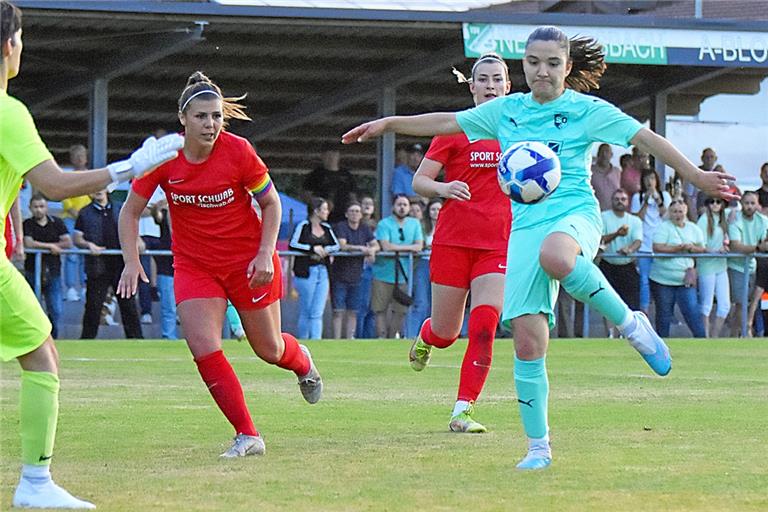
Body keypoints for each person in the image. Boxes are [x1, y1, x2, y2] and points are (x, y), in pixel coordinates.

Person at [342, 25, 735, 470]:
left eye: (552, 63)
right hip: (524, 229)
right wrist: (389, 123)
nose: (542, 71)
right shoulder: (507, 110)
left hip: (574, 215)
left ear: (568, 67)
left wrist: (698, 177)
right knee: (528, 342)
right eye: (533, 63)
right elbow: (446, 121)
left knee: (558, 256)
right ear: (523, 67)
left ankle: (630, 324)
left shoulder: (587, 110)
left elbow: (647, 139)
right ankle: (538, 448)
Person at [1, 2, 183, 507]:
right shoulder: (8, 111)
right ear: (10, 45)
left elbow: (14, 187)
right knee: (42, 356)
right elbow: (54, 185)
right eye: (21, 38)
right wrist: (129, 166)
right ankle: (35, 485)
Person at [117, 71, 323, 459]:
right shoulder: (164, 156)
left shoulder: (239, 150)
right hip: (195, 265)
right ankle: (247, 435)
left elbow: (272, 203)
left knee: (269, 349)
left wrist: (265, 254)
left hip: (248, 262)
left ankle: (302, 362)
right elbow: (129, 213)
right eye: (201, 117)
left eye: (215, 116)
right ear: (183, 119)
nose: (210, 124)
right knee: (203, 345)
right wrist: (132, 261)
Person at [404, 52, 512, 433]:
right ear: (472, 87)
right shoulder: (454, 129)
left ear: (508, 86)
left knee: (485, 324)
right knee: (447, 333)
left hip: (498, 244)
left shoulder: (520, 130)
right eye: (483, 79)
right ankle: (427, 335)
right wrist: (443, 187)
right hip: (453, 241)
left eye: (497, 79)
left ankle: (462, 410)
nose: (490, 86)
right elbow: (419, 181)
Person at [74, 189, 144, 339]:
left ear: (107, 189)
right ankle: (86, 341)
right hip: (98, 265)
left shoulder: (121, 208)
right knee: (93, 305)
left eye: (101, 187)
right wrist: (89, 245)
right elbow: (77, 238)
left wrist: (137, 243)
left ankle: (137, 340)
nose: (98, 190)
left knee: (128, 305)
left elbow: (133, 230)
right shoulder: (84, 212)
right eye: (95, 187)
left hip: (121, 265)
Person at [649, 199, 706, 338]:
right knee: (663, 315)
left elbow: (702, 248)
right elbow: (657, 247)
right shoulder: (663, 227)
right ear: (669, 213)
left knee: (692, 312)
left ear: (685, 212)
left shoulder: (694, 229)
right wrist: (678, 248)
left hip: (685, 279)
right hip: (663, 280)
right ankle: (662, 346)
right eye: (674, 211)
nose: (677, 214)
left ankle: (703, 343)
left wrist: (692, 249)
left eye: (680, 211)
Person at [371, 194, 423, 338]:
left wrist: (398, 248)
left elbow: (419, 246)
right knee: (380, 309)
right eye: (399, 204)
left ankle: (393, 336)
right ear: (393, 206)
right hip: (383, 273)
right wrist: (409, 247)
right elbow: (386, 246)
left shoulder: (414, 224)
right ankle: (381, 337)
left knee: (401, 310)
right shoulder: (384, 223)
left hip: (404, 274)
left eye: (405, 205)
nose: (402, 208)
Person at [289, 197, 340, 339]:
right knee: (306, 310)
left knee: (317, 311)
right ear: (316, 211)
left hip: (322, 271)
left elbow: (336, 245)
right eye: (324, 209)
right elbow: (293, 244)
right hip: (306, 272)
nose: (327, 212)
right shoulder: (304, 226)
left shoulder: (327, 228)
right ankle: (304, 341)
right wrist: (312, 248)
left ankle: (317, 341)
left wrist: (326, 249)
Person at [22, 194, 71, 339]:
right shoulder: (27, 224)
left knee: (55, 309)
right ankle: (35, 338)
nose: (38, 210)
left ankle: (53, 337)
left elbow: (67, 242)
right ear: (30, 208)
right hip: (32, 270)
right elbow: (28, 243)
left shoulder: (57, 222)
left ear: (47, 207)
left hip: (53, 271)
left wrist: (51, 247)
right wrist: (51, 246)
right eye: (35, 207)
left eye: (41, 206)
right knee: (33, 308)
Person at [331, 200, 377, 339]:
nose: (355, 214)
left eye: (357, 211)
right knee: (338, 310)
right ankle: (337, 339)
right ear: (346, 214)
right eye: (352, 211)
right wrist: (361, 248)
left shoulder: (364, 228)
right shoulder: (341, 226)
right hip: (340, 274)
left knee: (353, 311)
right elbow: (343, 245)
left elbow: (376, 244)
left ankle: (349, 338)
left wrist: (372, 250)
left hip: (357, 275)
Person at [599, 188, 642, 337]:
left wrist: (629, 249)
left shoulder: (634, 220)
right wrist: (617, 234)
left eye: (623, 199)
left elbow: (638, 240)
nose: (620, 202)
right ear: (612, 201)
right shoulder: (603, 217)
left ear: (628, 202)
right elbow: (600, 239)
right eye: (617, 199)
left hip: (627, 265)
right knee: (608, 302)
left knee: (629, 303)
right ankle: (611, 334)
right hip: (608, 264)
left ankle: (628, 334)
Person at [726, 191, 768, 337]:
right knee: (740, 303)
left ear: (757, 205)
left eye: (752, 203)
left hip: (752, 266)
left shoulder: (763, 220)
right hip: (737, 266)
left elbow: (765, 241)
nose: (749, 206)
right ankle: (746, 333)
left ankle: (735, 335)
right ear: (741, 204)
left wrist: (761, 247)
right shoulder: (735, 219)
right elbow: (735, 245)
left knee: (746, 303)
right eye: (746, 203)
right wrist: (757, 248)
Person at [630, 168, 672, 315]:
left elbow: (667, 217)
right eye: (647, 179)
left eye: (652, 178)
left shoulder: (665, 196)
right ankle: (645, 311)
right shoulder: (637, 197)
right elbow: (637, 219)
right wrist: (646, 202)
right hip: (644, 246)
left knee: (663, 281)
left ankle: (666, 312)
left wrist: (659, 201)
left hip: (661, 245)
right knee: (644, 281)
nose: (650, 182)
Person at [405, 197, 442, 337]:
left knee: (437, 303)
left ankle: (434, 334)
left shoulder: (448, 226)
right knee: (421, 301)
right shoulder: (421, 226)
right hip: (423, 264)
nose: (436, 212)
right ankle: (412, 334)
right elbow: (417, 244)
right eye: (433, 209)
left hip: (441, 265)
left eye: (439, 209)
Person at [696, 197, 731, 337]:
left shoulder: (724, 218)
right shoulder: (703, 220)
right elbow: (700, 246)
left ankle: (714, 337)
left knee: (725, 306)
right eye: (712, 202)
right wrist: (716, 251)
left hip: (721, 266)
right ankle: (705, 336)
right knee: (706, 305)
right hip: (706, 266)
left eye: (718, 202)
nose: (715, 205)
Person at [60, 144, 90, 302]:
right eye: (76, 156)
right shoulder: (67, 177)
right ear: (71, 159)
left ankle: (85, 286)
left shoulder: (91, 176)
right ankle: (71, 287)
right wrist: (78, 215)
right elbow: (66, 200)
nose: (80, 158)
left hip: (87, 221)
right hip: (71, 219)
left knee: (85, 253)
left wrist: (87, 217)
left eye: (82, 155)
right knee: (71, 254)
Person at [302, 144, 357, 223]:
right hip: (321, 217)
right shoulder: (315, 175)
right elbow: (306, 196)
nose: (331, 158)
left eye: (334, 154)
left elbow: (353, 196)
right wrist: (321, 204)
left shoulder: (347, 175)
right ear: (322, 156)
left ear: (338, 156)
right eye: (328, 155)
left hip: (343, 218)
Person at [356, 194, 378, 338]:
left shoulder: (377, 225)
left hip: (376, 270)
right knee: (361, 305)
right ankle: (359, 335)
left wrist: (373, 250)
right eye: (364, 203)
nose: (367, 206)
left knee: (373, 307)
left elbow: (377, 244)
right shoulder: (358, 226)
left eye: (370, 203)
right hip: (361, 270)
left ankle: (370, 336)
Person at [590, 143, 621, 211]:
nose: (604, 155)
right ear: (598, 154)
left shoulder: (617, 172)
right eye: (602, 152)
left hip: (615, 214)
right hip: (597, 213)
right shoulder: (590, 171)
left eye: (607, 151)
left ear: (611, 155)